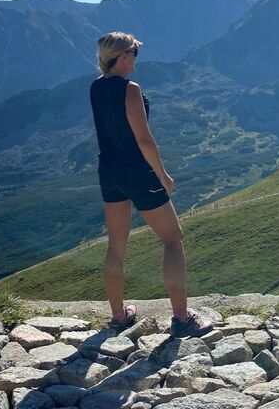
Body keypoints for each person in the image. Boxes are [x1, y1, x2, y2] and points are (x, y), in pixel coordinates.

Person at [90, 31, 212, 337]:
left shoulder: (96, 86)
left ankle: (119, 316)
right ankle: (182, 318)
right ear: (123, 56)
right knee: (173, 240)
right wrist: (162, 175)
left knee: (116, 245)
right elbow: (143, 138)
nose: (136, 59)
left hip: (109, 171)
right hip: (138, 172)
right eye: (134, 53)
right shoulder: (130, 89)